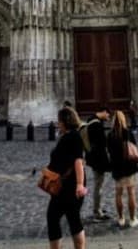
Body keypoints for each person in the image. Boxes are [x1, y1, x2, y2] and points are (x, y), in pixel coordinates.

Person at [44, 106, 87, 249]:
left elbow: (78, 161)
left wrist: (79, 184)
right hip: (63, 185)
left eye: (59, 121)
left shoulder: (74, 136)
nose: (58, 124)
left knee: (58, 217)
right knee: (63, 217)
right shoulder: (68, 136)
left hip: (69, 186)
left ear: (65, 121)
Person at [107, 110, 138, 228]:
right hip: (130, 166)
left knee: (118, 194)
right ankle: (132, 219)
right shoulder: (128, 133)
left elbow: (109, 151)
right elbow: (135, 147)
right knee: (131, 192)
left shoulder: (110, 135)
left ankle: (121, 218)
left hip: (117, 168)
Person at [83, 107, 111, 221]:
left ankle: (98, 207)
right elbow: (101, 144)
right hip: (98, 160)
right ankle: (97, 212)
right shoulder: (96, 125)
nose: (108, 118)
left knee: (98, 184)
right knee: (98, 185)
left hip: (92, 158)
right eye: (108, 115)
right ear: (104, 112)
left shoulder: (91, 120)